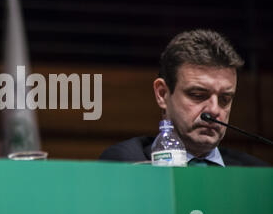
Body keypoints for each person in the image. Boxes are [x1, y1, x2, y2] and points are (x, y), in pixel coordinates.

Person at [100, 29, 269, 166]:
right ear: (162, 94)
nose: (214, 110)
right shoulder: (126, 164)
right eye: (197, 95)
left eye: (225, 99)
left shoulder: (257, 175)